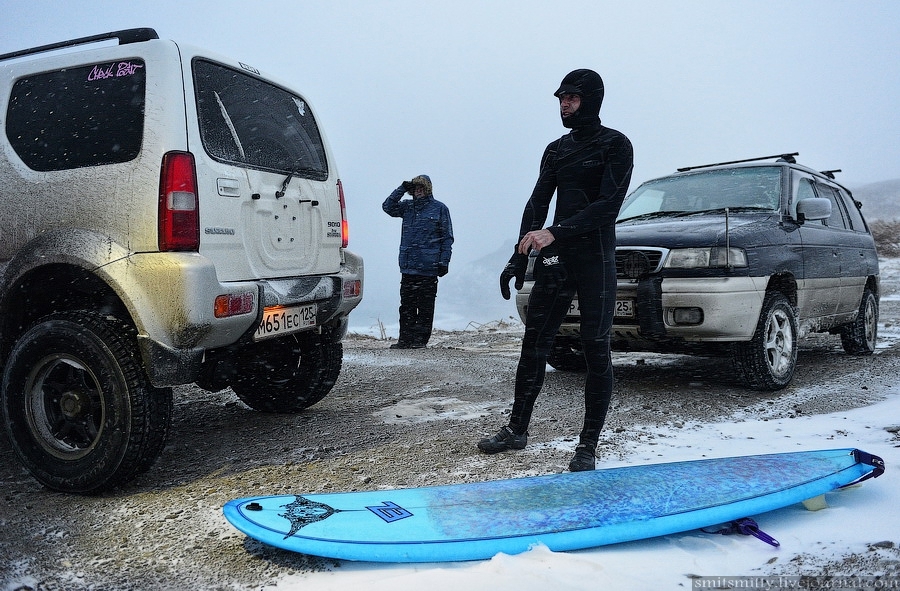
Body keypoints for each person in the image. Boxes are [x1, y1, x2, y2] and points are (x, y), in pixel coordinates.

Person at [477, 69, 634, 471]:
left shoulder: (615, 144)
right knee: (534, 344)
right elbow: (537, 203)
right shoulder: (556, 149)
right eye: (561, 98)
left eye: (573, 98)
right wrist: (518, 255)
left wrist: (555, 232)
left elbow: (608, 206)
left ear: (592, 100)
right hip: (555, 258)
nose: (564, 105)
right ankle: (516, 430)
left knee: (595, 349)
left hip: (595, 258)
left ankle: (587, 446)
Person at [382, 174, 454, 349]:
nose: (418, 191)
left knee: (425, 307)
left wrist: (444, 261)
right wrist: (401, 188)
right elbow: (387, 206)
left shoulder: (439, 209)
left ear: (428, 189)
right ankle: (405, 340)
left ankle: (420, 341)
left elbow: (447, 237)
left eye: (421, 188)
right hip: (408, 268)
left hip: (429, 268)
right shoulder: (407, 207)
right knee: (406, 306)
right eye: (415, 188)